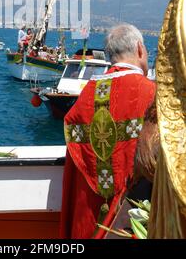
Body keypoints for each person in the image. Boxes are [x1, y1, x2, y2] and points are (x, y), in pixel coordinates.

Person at [60, 24, 156, 239]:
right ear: (140, 49)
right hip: (130, 212)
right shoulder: (152, 94)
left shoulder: (86, 96)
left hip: (90, 213)